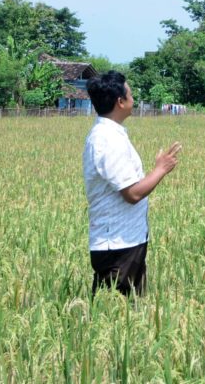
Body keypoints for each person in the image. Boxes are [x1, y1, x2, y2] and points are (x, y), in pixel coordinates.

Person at [83, 70, 181, 295]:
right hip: (117, 243)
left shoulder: (110, 134)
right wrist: (161, 169)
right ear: (120, 101)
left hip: (125, 239)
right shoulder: (107, 140)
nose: (134, 99)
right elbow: (133, 194)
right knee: (116, 316)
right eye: (131, 94)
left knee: (126, 314)